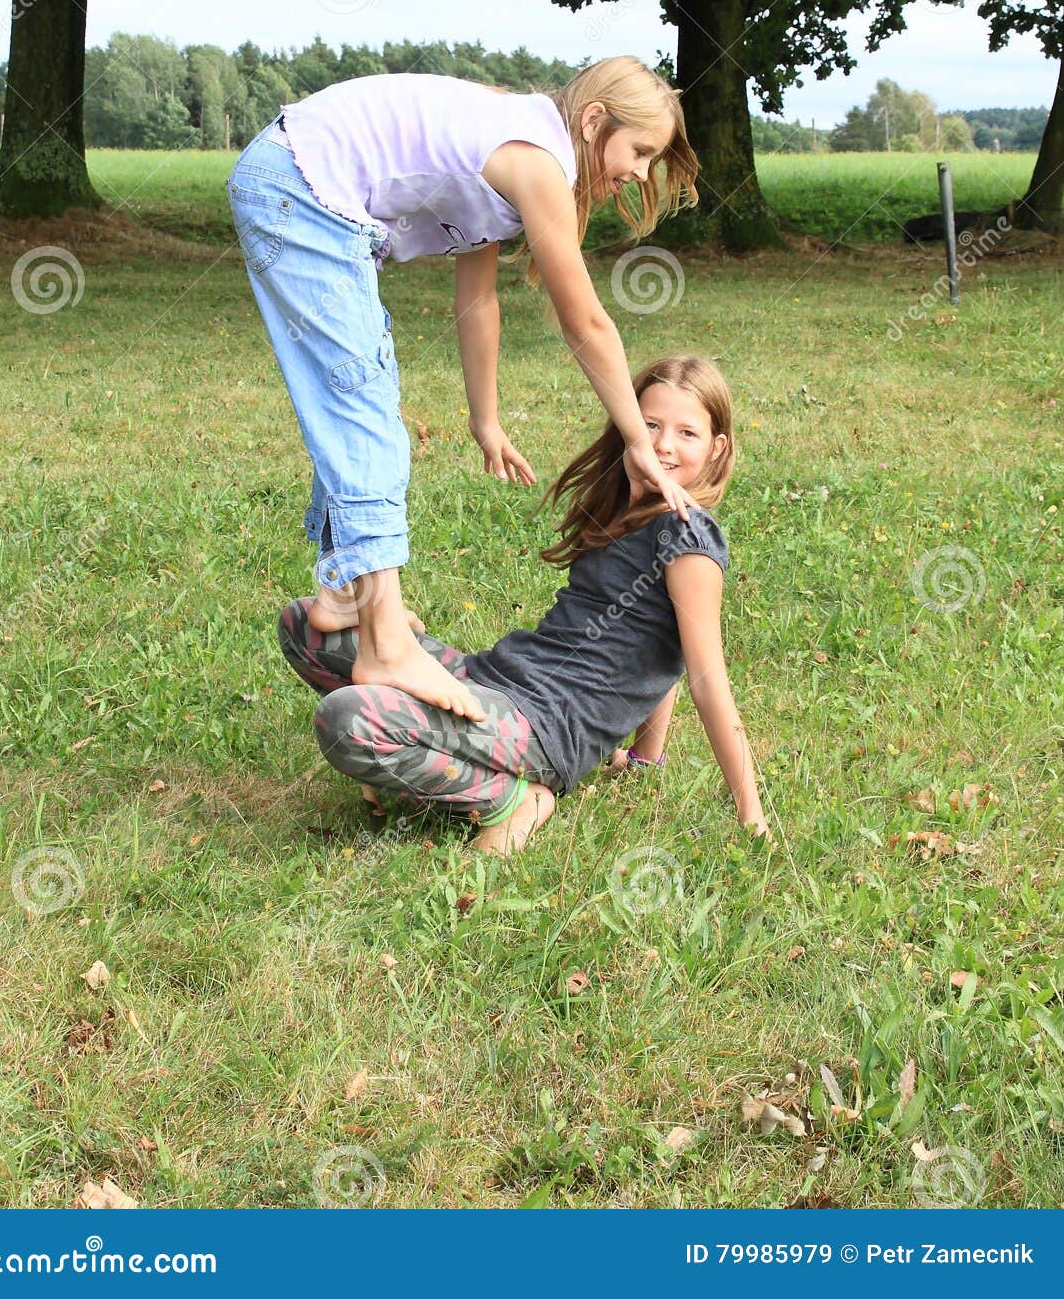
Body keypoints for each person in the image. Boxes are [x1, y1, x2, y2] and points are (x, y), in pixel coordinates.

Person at [228, 56, 699, 728]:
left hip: (293, 181)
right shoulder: (537, 160)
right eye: (639, 151)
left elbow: (477, 302)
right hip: (300, 186)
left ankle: (342, 596)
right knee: (360, 408)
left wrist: (487, 419)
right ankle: (386, 645)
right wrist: (635, 435)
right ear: (594, 121)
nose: (639, 172)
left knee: (361, 395)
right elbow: (586, 321)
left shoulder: (513, 151)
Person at [278, 356, 770, 857]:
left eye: (687, 433)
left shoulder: (687, 535)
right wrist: (645, 756)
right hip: (496, 678)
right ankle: (420, 749)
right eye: (650, 425)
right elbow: (660, 647)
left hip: (545, 726)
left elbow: (706, 678)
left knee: (346, 719)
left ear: (716, 448)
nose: (664, 444)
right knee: (306, 626)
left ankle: (513, 799)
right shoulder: (626, 508)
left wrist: (750, 814)